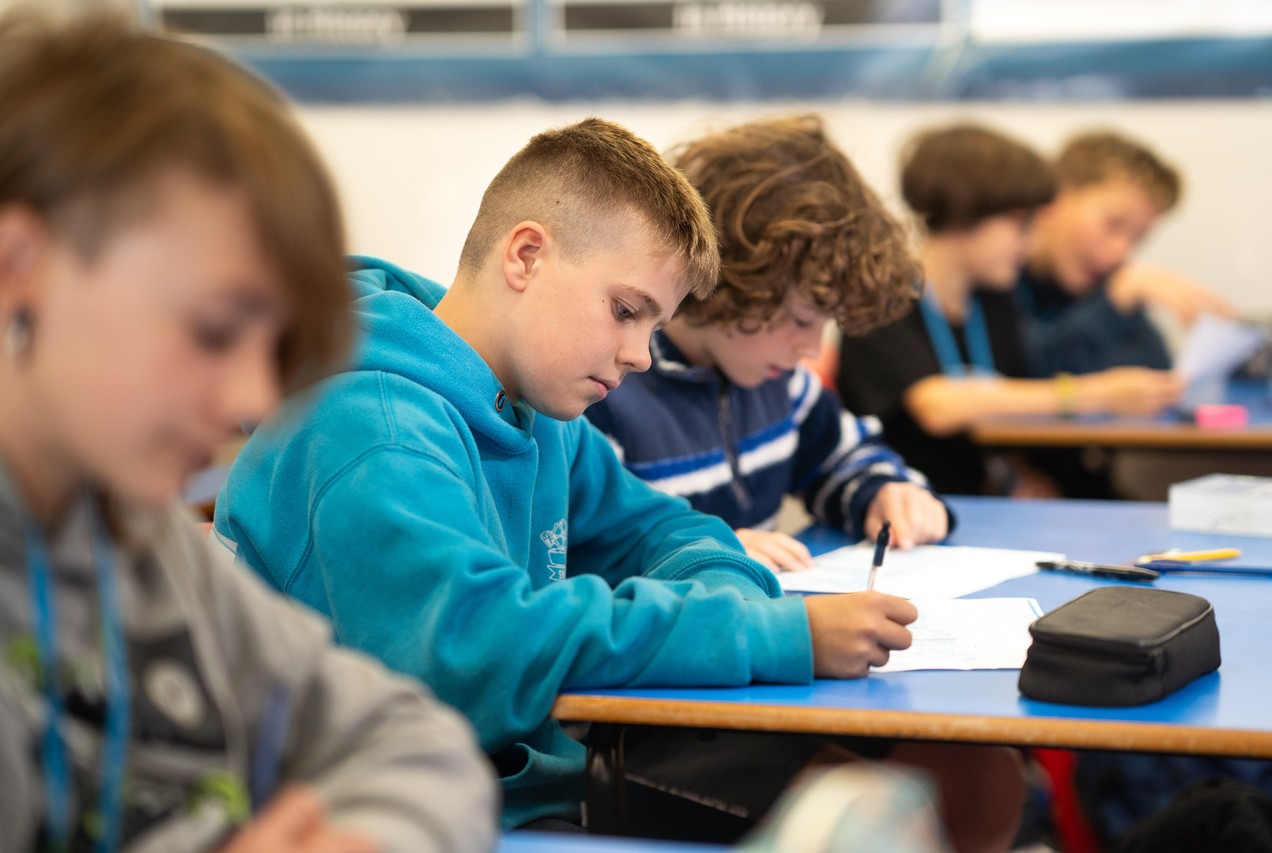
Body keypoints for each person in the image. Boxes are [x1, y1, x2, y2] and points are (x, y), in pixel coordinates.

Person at [211, 117, 1002, 842]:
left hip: (519, 773)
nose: (641, 355)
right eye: (627, 310)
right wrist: (777, 634)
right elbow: (480, 647)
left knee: (946, 780)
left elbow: (659, 528)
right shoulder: (374, 427)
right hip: (388, 812)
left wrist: (729, 588)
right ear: (526, 255)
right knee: (880, 803)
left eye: (655, 324)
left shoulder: (535, 403)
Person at [0, 14, 496, 852]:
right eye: (213, 328)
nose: (252, 397)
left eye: (274, 348)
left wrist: (366, 837)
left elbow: (414, 739)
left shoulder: (144, 542)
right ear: (19, 266)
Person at [583, 115, 948, 570]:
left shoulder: (782, 383)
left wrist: (889, 492)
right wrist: (710, 549)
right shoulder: (603, 391)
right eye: (799, 319)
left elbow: (846, 457)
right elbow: (594, 551)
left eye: (824, 322)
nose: (812, 349)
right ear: (727, 282)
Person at [838, 124, 1182, 496]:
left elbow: (1016, 392)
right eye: (1021, 225)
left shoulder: (992, 302)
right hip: (900, 507)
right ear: (968, 210)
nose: (1030, 243)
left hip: (984, 503)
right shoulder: (882, 301)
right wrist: (1098, 394)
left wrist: (1019, 475)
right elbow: (938, 406)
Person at [1016, 130, 1234, 378]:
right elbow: (1026, 369)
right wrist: (1113, 301)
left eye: (1137, 238)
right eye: (1114, 224)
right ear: (1057, 197)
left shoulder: (1103, 279)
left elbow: (1153, 365)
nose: (1122, 251)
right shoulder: (1000, 273)